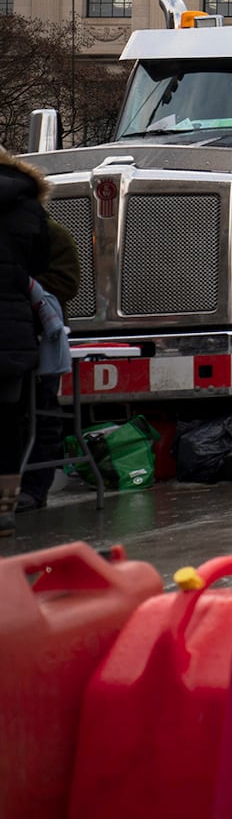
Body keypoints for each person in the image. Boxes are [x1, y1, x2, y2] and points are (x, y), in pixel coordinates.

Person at [0, 148, 55, 536]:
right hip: (12, 331)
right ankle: (3, 509)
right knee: (7, 423)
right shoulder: (28, 206)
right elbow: (39, 264)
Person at [17, 221, 80, 514]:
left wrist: (23, 286)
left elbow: (67, 283)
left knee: (40, 413)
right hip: (20, 335)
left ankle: (33, 489)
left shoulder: (50, 233)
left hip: (40, 339)